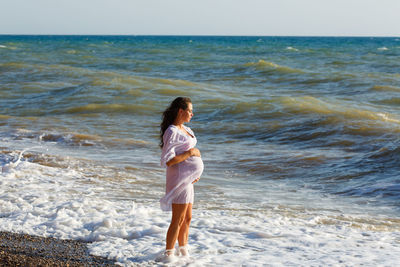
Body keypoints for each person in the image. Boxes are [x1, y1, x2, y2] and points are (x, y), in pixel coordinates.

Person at [159, 97, 204, 261]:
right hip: (178, 179)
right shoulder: (172, 131)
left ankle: (183, 251)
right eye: (190, 110)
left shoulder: (185, 129)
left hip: (187, 180)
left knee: (187, 218)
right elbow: (168, 160)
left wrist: (194, 173)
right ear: (180, 111)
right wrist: (191, 153)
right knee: (177, 219)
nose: (192, 113)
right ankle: (168, 255)